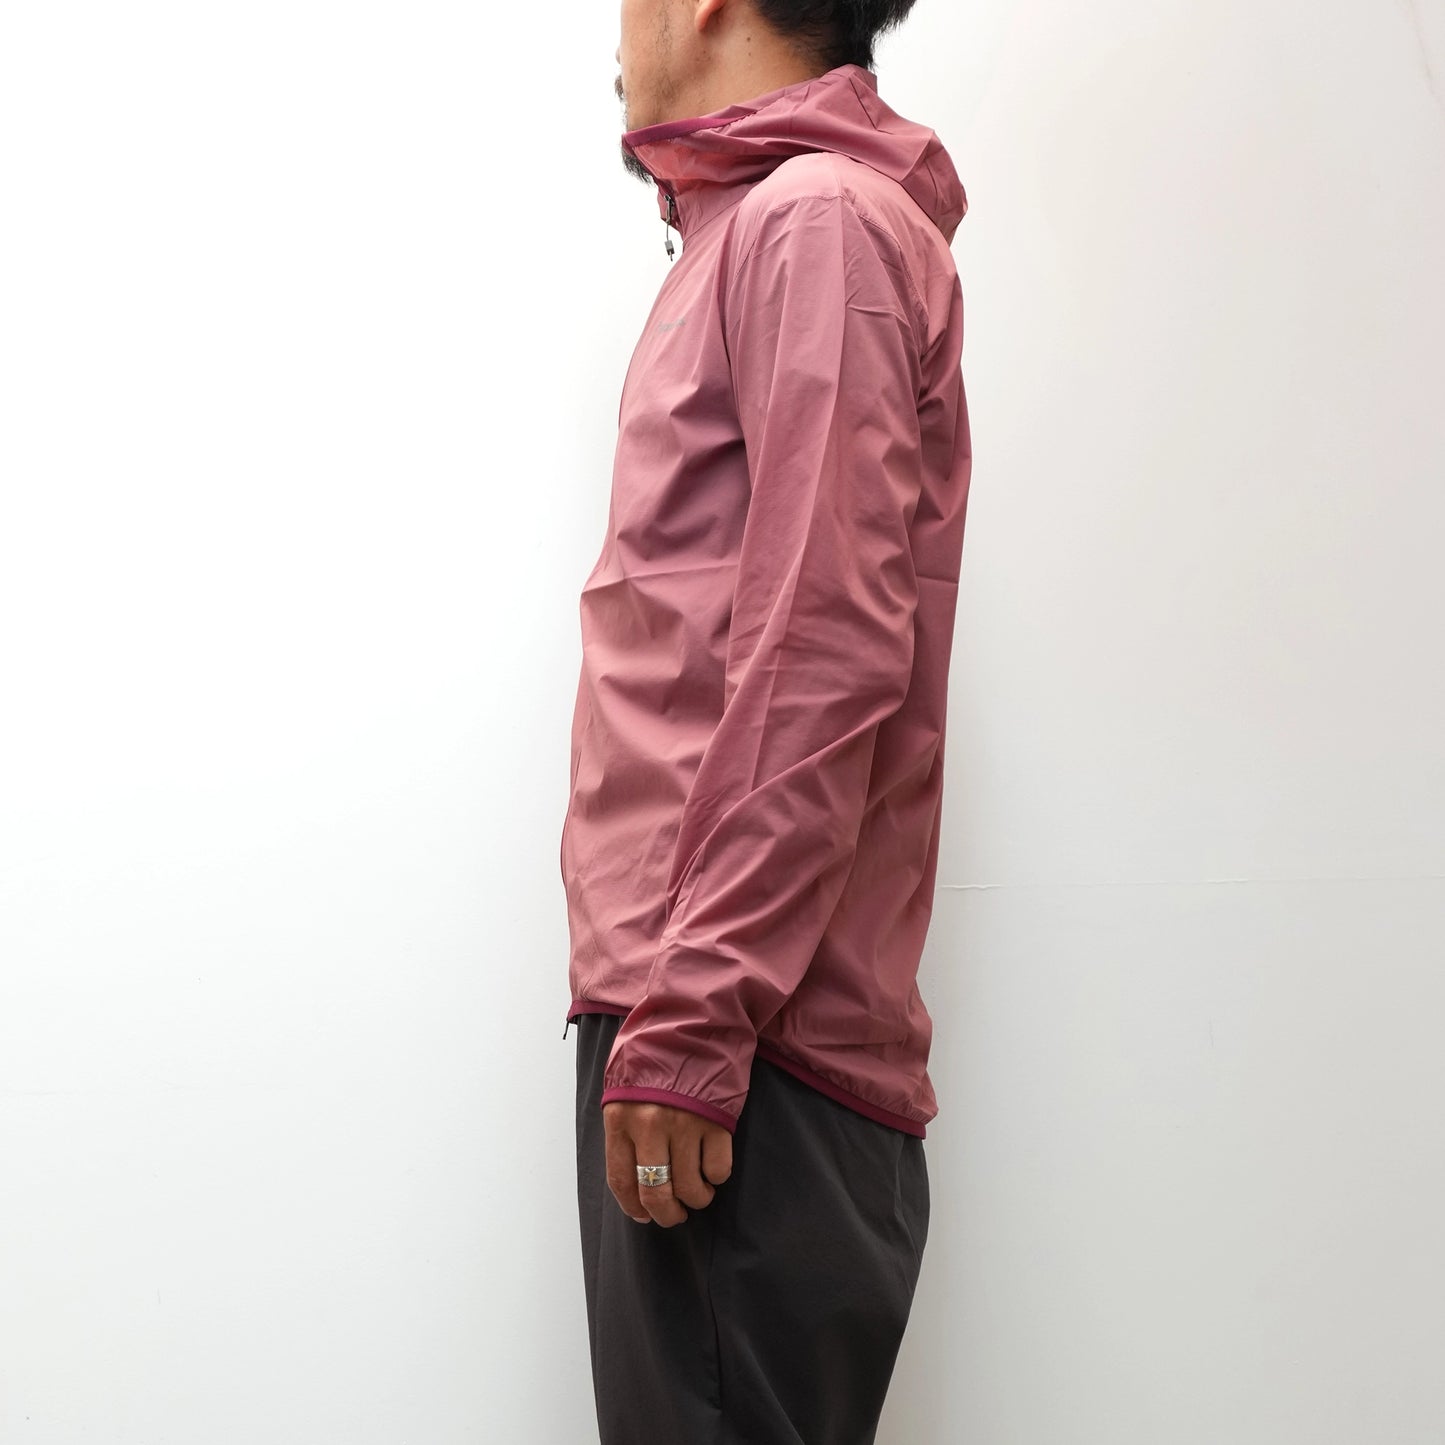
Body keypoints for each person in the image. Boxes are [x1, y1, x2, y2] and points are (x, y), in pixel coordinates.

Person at [559, 1, 971, 1439]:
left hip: (740, 1039)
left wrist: (692, 1017)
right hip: (717, 1017)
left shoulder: (816, 222)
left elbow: (824, 644)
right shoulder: (773, 228)